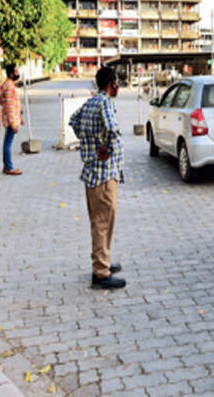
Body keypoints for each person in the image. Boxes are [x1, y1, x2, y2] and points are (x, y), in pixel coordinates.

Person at [69, 66, 125, 289]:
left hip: (93, 173)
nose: (118, 85)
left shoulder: (91, 102)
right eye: (117, 80)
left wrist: (88, 142)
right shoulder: (105, 103)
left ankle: (104, 261)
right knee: (102, 222)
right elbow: (111, 129)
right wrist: (105, 148)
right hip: (103, 175)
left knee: (102, 221)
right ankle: (101, 273)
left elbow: (73, 121)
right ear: (112, 83)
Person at [0, 64, 23, 176]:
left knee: (7, 142)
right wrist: (13, 122)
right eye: (16, 71)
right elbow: (8, 104)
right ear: (11, 73)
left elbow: (2, 100)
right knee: (8, 144)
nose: (18, 73)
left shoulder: (9, 84)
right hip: (10, 120)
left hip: (12, 118)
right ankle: (8, 167)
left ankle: (7, 166)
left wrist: (19, 118)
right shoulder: (8, 86)